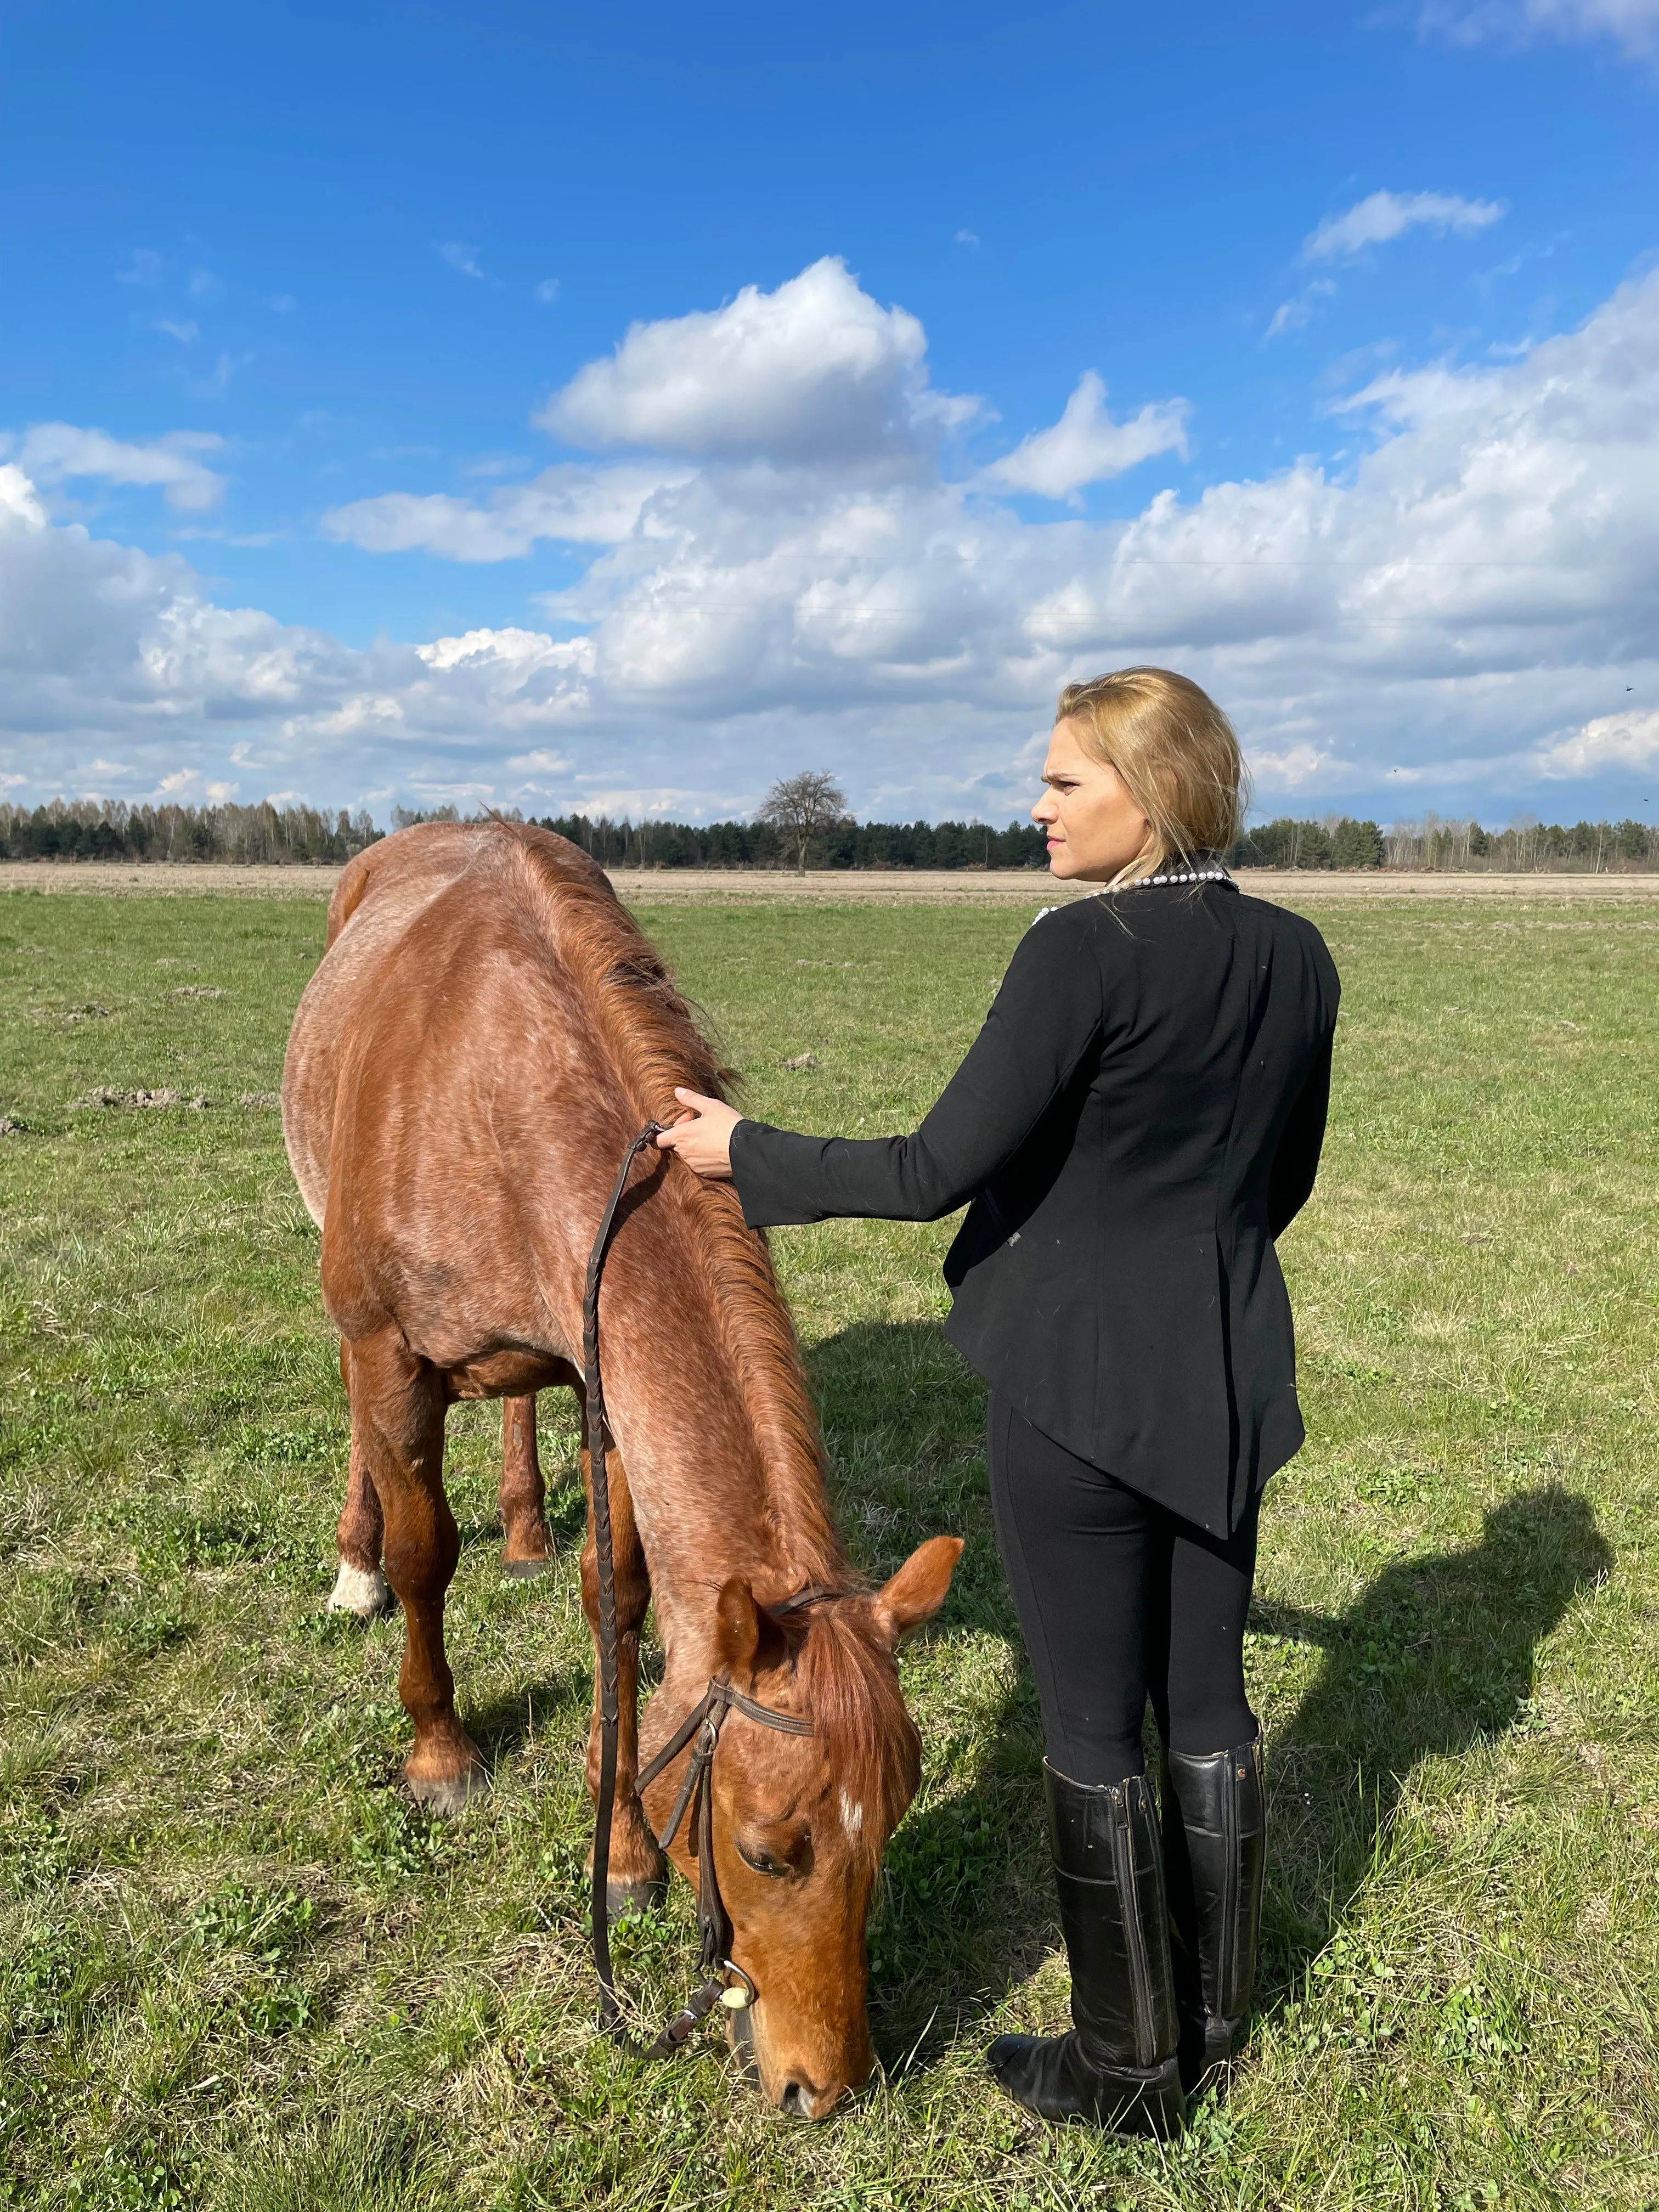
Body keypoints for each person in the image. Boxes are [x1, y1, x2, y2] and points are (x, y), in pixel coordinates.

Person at [656, 667, 1340, 2135]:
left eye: (1063, 784)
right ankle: (1216, 2030)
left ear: (1154, 797)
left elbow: (927, 1174)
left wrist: (744, 1150)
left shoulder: (1078, 954)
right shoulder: (1300, 955)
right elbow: (1285, 1183)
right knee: (1210, 1705)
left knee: (1094, 1726)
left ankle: (1125, 2069)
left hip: (1075, 1389)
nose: (1036, 809)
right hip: (1232, 1371)